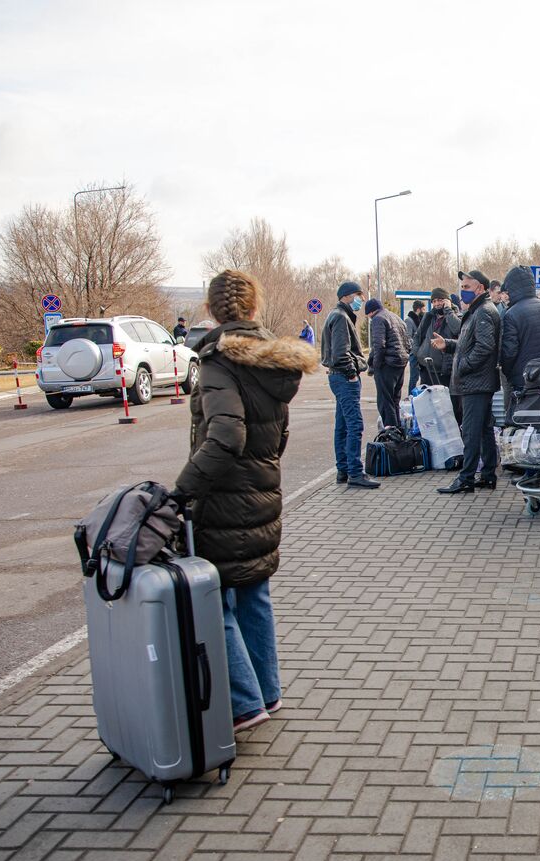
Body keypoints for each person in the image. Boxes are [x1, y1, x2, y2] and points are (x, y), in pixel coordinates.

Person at [173, 270, 320, 732]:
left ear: (211, 311)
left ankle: (244, 702)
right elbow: (279, 431)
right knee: (254, 592)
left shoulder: (219, 361)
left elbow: (225, 436)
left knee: (216, 601)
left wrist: (182, 491)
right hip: (264, 488)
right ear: (255, 308)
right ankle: (268, 693)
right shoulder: (275, 361)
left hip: (224, 497)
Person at [433, 270, 502, 494]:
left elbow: (484, 347)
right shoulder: (477, 311)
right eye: (462, 287)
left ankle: (466, 478)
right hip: (477, 381)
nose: (462, 291)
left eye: (466, 287)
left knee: (471, 431)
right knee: (483, 430)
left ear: (480, 288)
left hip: (476, 382)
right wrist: (449, 345)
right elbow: (469, 344)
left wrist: (463, 366)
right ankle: (488, 475)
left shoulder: (483, 311)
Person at [321, 282, 378, 488]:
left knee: (343, 425)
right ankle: (355, 472)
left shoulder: (336, 315)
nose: (361, 300)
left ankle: (343, 470)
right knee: (354, 425)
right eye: (357, 295)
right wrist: (352, 374)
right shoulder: (341, 317)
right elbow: (341, 352)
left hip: (338, 376)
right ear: (346, 296)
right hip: (345, 378)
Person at [499, 265, 540, 411]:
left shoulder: (511, 314)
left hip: (523, 380)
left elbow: (509, 352)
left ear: (512, 288)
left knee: (523, 418)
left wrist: (508, 373)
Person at [414, 289, 462, 421]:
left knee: (447, 408)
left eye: (440, 300)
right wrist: (418, 353)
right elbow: (418, 336)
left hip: (444, 371)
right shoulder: (429, 316)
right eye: (434, 301)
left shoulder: (455, 316)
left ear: (447, 301)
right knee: (429, 408)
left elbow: (457, 329)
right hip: (427, 369)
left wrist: (448, 310)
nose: (436, 304)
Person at [366, 298, 410, 430]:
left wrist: (375, 365)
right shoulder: (396, 318)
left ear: (371, 311)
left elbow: (379, 345)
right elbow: (408, 342)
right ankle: (398, 431)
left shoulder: (378, 319)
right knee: (395, 400)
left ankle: (390, 432)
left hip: (387, 364)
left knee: (385, 401)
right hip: (400, 363)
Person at [406, 300, 427, 391]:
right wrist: (415, 347)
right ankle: (411, 395)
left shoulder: (421, 320)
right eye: (423, 309)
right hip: (414, 354)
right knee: (414, 377)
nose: (425, 311)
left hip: (422, 352)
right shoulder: (409, 320)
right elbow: (408, 337)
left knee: (423, 377)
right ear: (418, 309)